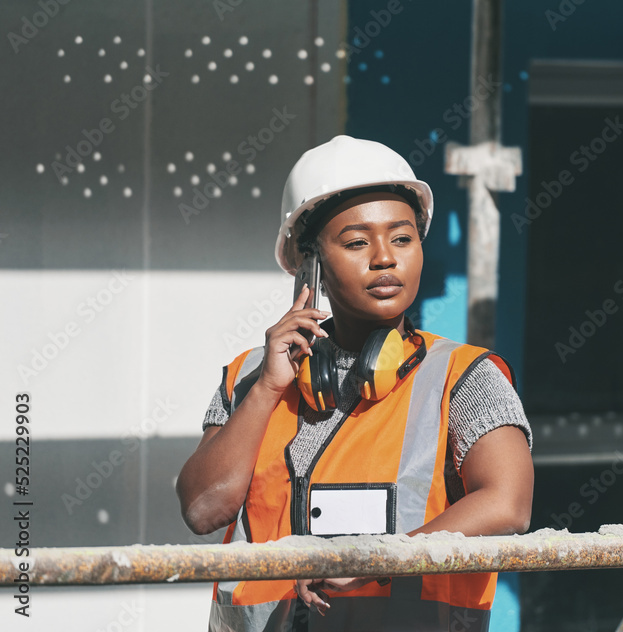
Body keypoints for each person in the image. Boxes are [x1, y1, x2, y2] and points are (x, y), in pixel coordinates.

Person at [176, 135, 534, 632]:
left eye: (402, 238)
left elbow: (508, 504)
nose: (385, 258)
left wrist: (376, 559)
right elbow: (202, 508)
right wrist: (266, 390)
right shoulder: (248, 377)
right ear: (311, 262)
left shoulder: (465, 376)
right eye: (357, 242)